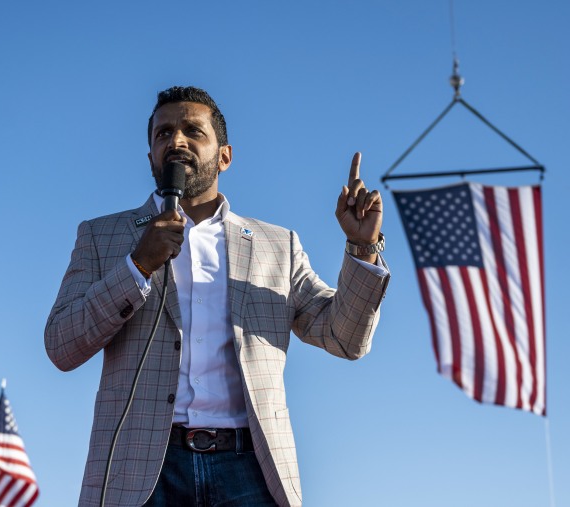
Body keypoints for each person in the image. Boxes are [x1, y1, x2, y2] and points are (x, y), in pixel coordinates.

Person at [45, 86, 389, 506]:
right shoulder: (103, 236)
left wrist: (362, 250)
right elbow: (62, 345)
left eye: (193, 130)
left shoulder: (276, 245)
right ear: (150, 156)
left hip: (250, 471)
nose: (176, 141)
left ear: (224, 155)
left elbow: (344, 337)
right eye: (163, 134)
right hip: (141, 474)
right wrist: (137, 266)